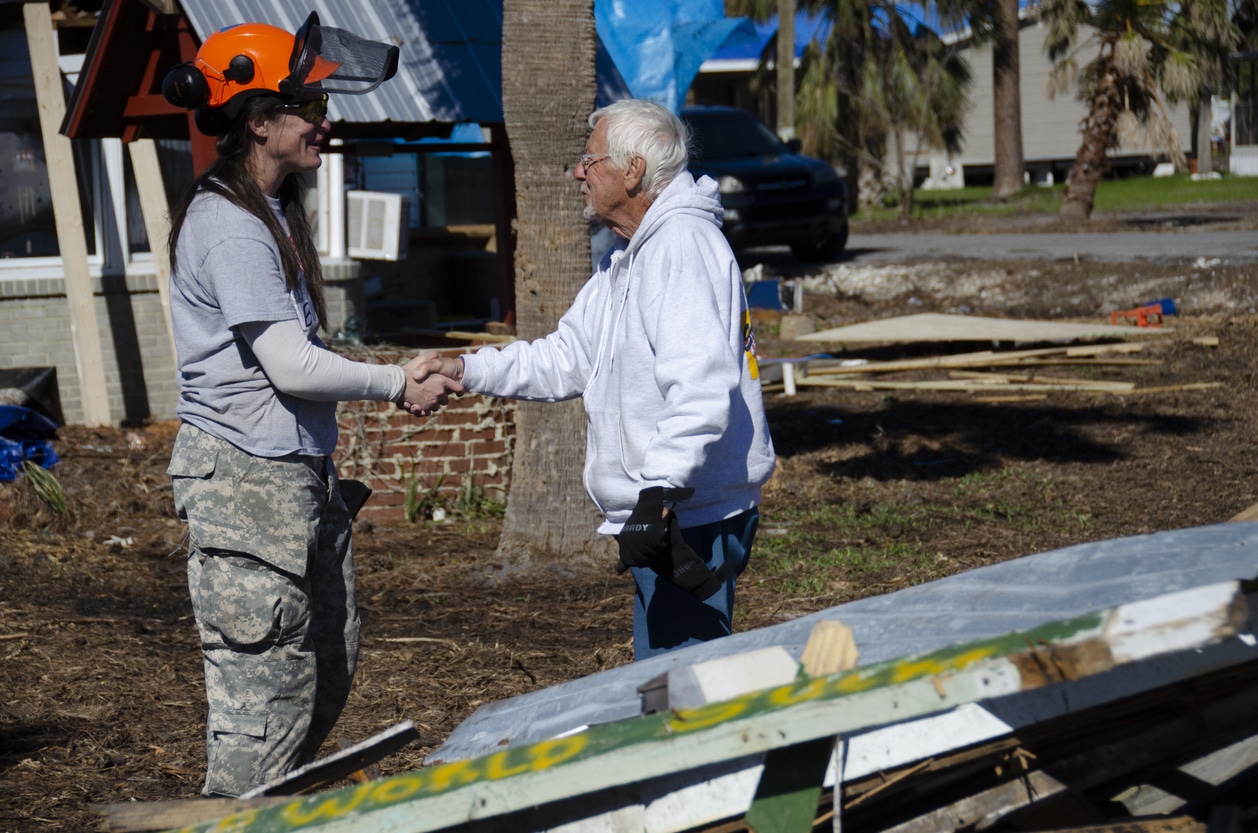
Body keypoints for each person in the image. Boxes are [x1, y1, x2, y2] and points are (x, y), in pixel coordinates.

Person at [160, 14, 459, 797]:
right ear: (259, 123)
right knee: (264, 697)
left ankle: (278, 806)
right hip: (242, 483)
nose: (325, 122)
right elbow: (290, 364)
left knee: (326, 662)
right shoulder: (228, 225)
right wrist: (398, 383)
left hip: (294, 479)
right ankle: (236, 815)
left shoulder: (273, 210)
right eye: (309, 110)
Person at [408, 99, 776, 661]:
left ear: (632, 170)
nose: (578, 171)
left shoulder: (680, 246)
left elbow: (702, 387)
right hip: (670, 510)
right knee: (668, 680)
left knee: (682, 689)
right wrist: (466, 368)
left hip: (688, 514)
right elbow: (566, 356)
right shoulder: (627, 257)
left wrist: (658, 496)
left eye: (590, 159)